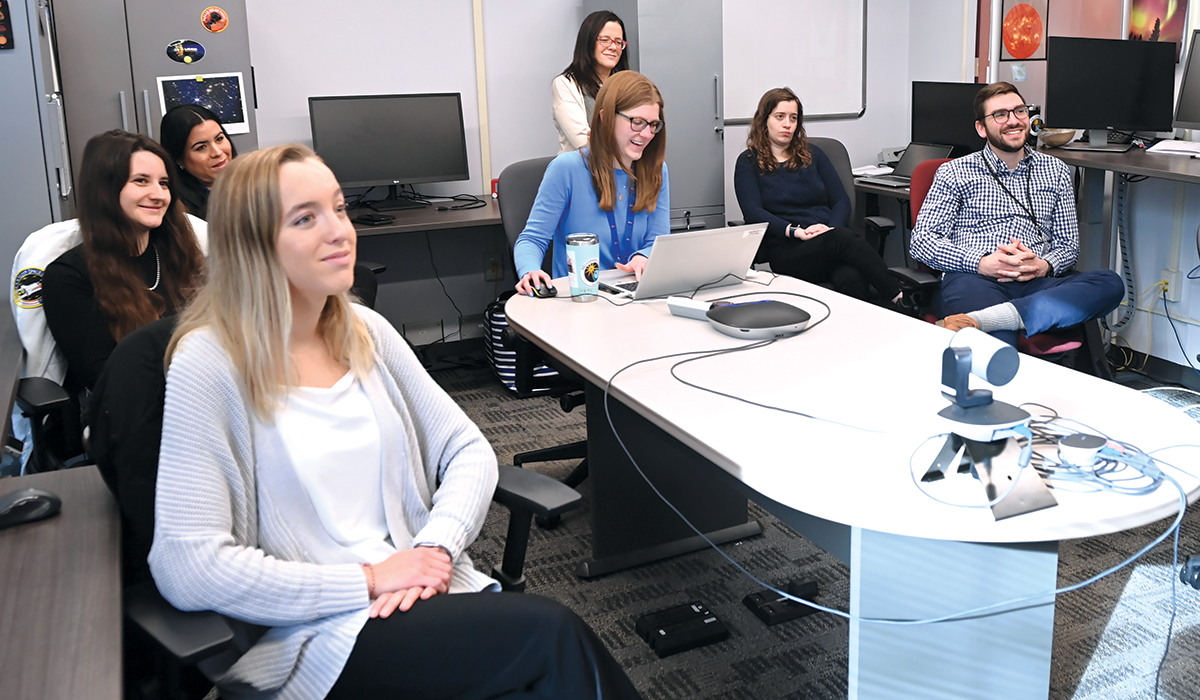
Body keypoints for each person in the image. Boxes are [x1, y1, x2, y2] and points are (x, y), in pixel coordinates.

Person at [148, 144, 642, 700]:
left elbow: (468, 450)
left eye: (338, 208)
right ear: (251, 245)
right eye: (306, 218)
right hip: (322, 632)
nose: (339, 231)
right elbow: (186, 564)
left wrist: (435, 548)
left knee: (544, 668)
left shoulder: (364, 331)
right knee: (551, 639)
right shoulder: (210, 362)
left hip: (426, 589)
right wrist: (369, 579)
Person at [909, 81, 1123, 345]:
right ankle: (1007, 320)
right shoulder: (955, 172)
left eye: (1019, 111)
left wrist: (1044, 265)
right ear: (981, 128)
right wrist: (982, 262)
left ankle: (993, 318)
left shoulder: (1055, 170)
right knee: (996, 344)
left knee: (1109, 283)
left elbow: (1068, 245)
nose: (1013, 120)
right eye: (1000, 114)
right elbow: (922, 242)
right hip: (975, 279)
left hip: (1036, 281)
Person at [41, 129, 205, 394]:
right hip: (137, 416)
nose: (159, 194)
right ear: (105, 189)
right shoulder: (68, 277)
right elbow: (106, 381)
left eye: (164, 183)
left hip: (203, 398)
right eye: (141, 181)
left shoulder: (179, 253)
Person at [733, 87, 904, 305]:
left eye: (793, 118)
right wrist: (796, 232)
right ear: (764, 120)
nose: (788, 124)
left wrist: (829, 228)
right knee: (842, 239)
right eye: (780, 117)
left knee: (851, 279)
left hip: (828, 240)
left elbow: (841, 200)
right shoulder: (748, 162)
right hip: (788, 250)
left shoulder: (813, 154)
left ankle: (856, 334)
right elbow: (752, 212)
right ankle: (899, 297)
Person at [517, 70, 668, 294]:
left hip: (634, 298)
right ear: (605, 117)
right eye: (637, 122)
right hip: (580, 300)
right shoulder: (566, 169)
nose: (647, 134)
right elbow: (532, 239)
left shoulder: (657, 170)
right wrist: (530, 271)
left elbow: (658, 238)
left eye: (653, 124)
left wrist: (643, 257)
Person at [552, 10, 630, 153]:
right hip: (581, 169)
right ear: (588, 41)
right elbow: (582, 142)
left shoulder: (626, 85)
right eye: (605, 40)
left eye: (618, 42)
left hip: (622, 168)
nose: (613, 47)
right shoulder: (566, 84)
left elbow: (642, 134)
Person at [159, 104, 236, 220]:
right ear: (179, 160)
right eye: (201, 147)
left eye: (219, 139)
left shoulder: (253, 183)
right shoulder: (178, 210)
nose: (217, 152)